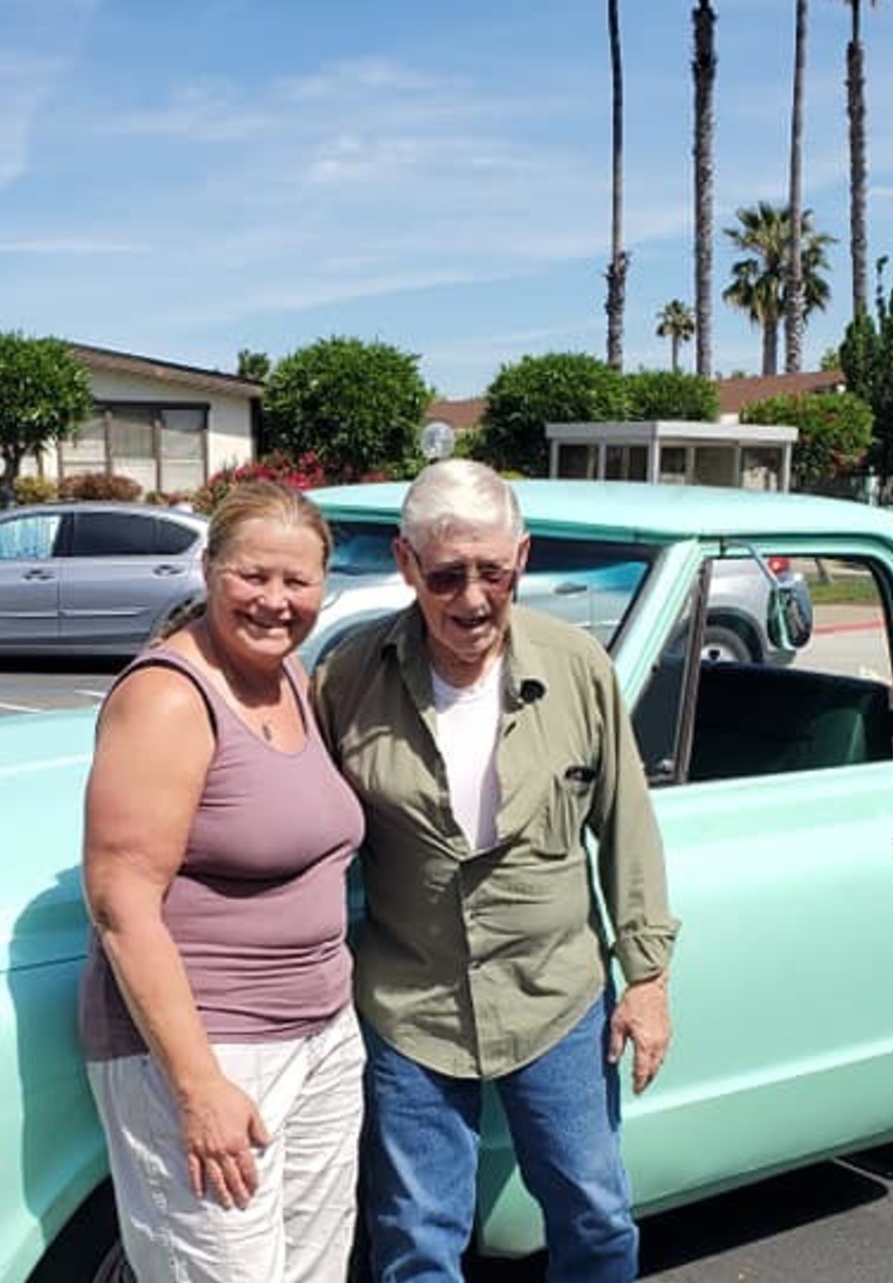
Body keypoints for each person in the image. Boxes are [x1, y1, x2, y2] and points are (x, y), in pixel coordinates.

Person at [313, 459, 678, 1283]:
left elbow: (627, 824)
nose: (472, 599)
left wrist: (647, 978)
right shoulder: (347, 676)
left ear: (523, 557)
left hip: (557, 995)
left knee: (596, 1214)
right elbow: (300, 818)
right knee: (413, 1237)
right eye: (445, 576)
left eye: (492, 572)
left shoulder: (580, 666)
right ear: (408, 566)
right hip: (411, 1002)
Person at [78, 480, 366, 1282]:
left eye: (298, 581)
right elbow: (120, 900)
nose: (275, 601)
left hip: (320, 1035)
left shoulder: (292, 681)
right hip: (213, 1047)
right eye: (253, 575)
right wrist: (198, 1086)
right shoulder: (169, 697)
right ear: (208, 570)